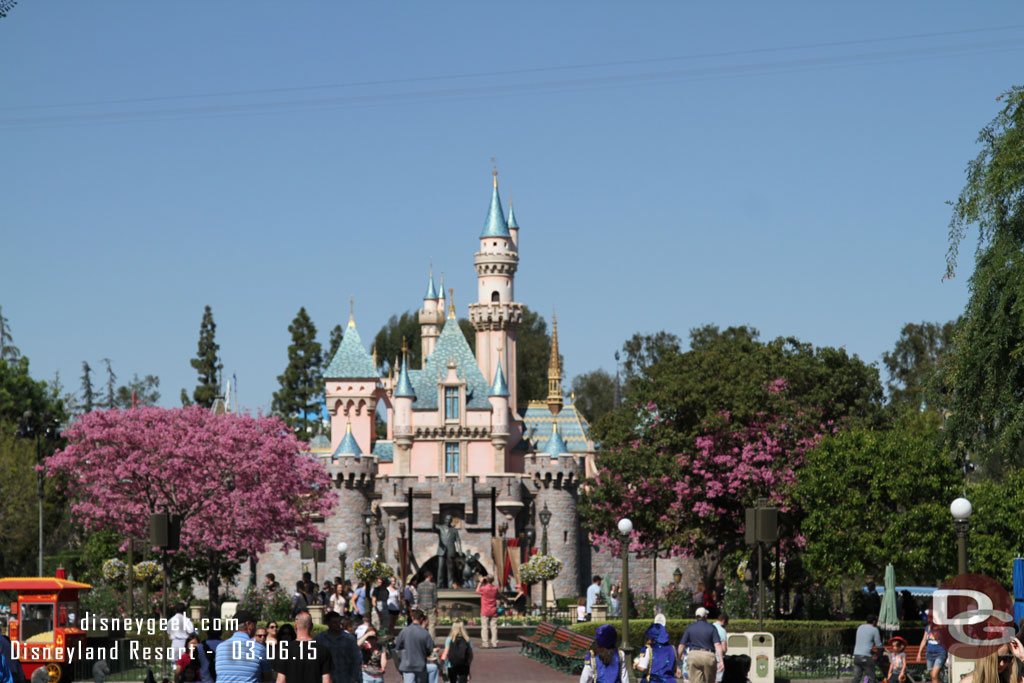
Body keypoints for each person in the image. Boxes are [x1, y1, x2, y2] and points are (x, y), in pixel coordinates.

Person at [215, 609, 272, 683]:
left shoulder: (220, 647)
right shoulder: (259, 648)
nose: (255, 628)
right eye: (254, 624)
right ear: (248, 624)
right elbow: (268, 677)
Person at [273, 611, 331, 683]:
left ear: (296, 626)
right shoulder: (323, 650)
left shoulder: (285, 650)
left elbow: (281, 680)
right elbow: (326, 680)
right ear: (312, 626)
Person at [315, 611, 361, 683]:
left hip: (344, 678)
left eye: (339, 622)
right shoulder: (320, 639)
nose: (337, 624)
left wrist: (353, 678)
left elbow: (356, 660)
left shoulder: (349, 639)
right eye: (334, 622)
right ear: (328, 623)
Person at [678, 607, 722, 683]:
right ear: (705, 616)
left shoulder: (690, 628)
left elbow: (682, 645)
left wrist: (679, 659)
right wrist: (721, 660)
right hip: (708, 655)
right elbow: (717, 644)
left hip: (693, 655)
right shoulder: (712, 628)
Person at [395, 609, 436, 683]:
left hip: (407, 665)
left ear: (412, 617)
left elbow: (397, 647)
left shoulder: (404, 631)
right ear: (422, 619)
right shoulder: (425, 633)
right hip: (420, 665)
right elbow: (430, 650)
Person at [851, 615, 883, 683]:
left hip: (856, 656)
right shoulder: (874, 630)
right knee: (871, 678)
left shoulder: (860, 627)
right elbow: (879, 646)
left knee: (857, 678)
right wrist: (878, 654)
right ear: (874, 621)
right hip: (866, 657)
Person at [917, 614, 948, 683]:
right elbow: (924, 640)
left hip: (940, 653)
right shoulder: (928, 628)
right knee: (933, 677)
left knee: (934, 675)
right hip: (929, 654)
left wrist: (948, 655)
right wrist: (919, 653)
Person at [476, 575, 500, 648]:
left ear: (486, 580)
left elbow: (477, 591)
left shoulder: (484, 588)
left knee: (485, 627)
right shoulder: (495, 588)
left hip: (485, 610)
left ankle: (485, 643)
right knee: (494, 627)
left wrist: (480, 582)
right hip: (493, 610)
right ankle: (494, 643)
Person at [417, 572, 438, 639]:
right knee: (432, 625)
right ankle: (431, 642)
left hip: (422, 607)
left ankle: (421, 639)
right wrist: (436, 607)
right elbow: (435, 598)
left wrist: (419, 605)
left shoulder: (420, 585)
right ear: (430, 576)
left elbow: (418, 597)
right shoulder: (433, 585)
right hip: (431, 606)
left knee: (423, 624)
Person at [712, 613, 728, 683]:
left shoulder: (710, 627)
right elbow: (724, 648)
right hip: (718, 659)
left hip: (709, 657)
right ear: (723, 621)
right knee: (717, 680)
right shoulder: (722, 630)